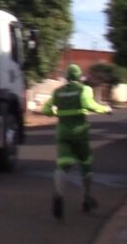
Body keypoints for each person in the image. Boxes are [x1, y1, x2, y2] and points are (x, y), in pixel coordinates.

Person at [41, 64, 112, 220]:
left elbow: (45, 110)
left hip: (63, 134)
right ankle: (86, 198)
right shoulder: (84, 90)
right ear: (79, 77)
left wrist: (56, 112)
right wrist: (105, 109)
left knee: (63, 164)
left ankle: (59, 194)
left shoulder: (57, 92)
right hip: (80, 134)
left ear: (67, 77)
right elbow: (89, 105)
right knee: (86, 165)